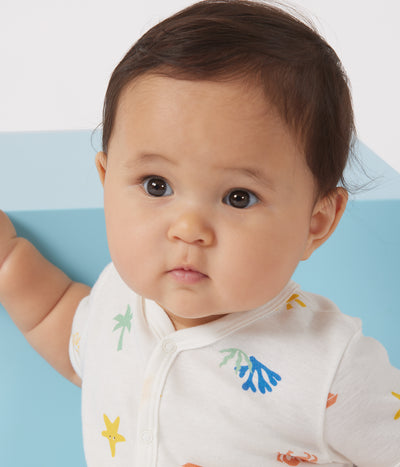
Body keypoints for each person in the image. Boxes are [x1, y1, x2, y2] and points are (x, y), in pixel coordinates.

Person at [1, 0, 399, 465]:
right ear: (106, 181)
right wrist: (9, 260)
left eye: (238, 197)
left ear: (316, 223)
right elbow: (61, 322)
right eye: (157, 185)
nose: (188, 229)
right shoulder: (117, 304)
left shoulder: (333, 367)